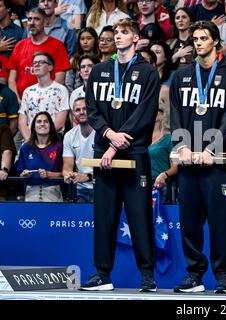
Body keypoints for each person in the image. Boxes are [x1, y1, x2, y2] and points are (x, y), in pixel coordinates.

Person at [82, 18, 160, 292]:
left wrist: (117, 142)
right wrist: (107, 135)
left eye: (124, 32)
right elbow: (91, 109)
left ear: (136, 38)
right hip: (103, 153)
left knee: (140, 217)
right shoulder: (100, 70)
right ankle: (102, 274)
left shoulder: (148, 72)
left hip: (134, 153)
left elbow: (145, 113)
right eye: (115, 32)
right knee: (104, 217)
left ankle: (147, 275)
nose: (118, 37)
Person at [170, 20, 226, 293]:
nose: (198, 42)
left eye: (203, 38)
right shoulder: (182, 76)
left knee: (220, 222)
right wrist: (183, 148)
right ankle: (194, 275)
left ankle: (224, 276)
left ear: (215, 40)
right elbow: (175, 115)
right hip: (189, 159)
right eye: (195, 39)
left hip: (218, 160)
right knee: (189, 222)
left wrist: (211, 149)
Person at [18, 51, 69, 142]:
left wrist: (42, 140)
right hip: (31, 141)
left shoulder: (61, 90)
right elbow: (22, 121)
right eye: (34, 63)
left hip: (53, 140)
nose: (36, 65)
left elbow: (60, 122)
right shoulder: (28, 91)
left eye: (41, 62)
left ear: (50, 67)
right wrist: (31, 140)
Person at [17, 111, 63, 202]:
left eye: (46, 121)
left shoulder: (59, 146)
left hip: (53, 191)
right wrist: (24, 174)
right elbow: (20, 173)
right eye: (39, 121)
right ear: (34, 126)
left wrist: (49, 174)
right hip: (31, 191)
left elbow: (64, 173)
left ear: (50, 126)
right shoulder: (25, 148)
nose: (42, 124)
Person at [62, 97, 95, 203]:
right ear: (73, 115)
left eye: (85, 109)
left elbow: (110, 166)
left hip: (102, 187)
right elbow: (67, 166)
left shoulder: (102, 133)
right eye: (77, 110)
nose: (81, 112)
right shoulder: (69, 136)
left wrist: (88, 176)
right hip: (80, 189)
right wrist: (68, 174)